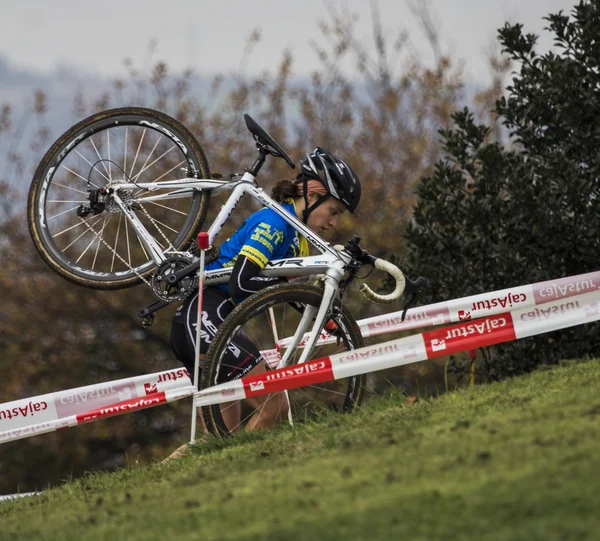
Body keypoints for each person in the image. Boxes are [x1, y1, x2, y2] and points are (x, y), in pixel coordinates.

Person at [170, 146, 361, 433]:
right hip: (205, 314)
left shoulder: (298, 238)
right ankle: (246, 470)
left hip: (208, 319)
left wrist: (332, 324)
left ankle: (198, 475)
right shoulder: (275, 223)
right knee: (275, 404)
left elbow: (294, 297)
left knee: (219, 438)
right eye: (333, 211)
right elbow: (242, 283)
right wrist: (287, 289)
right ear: (311, 197)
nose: (333, 223)